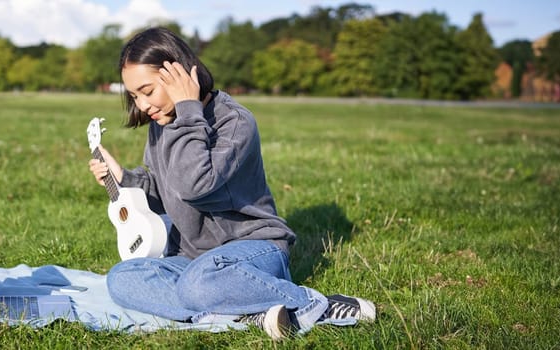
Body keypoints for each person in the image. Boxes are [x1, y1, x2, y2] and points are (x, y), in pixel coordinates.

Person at [87, 27, 376, 340]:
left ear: (179, 74)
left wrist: (187, 110)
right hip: (194, 260)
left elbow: (194, 186)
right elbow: (165, 193)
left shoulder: (233, 122)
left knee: (197, 284)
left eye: (147, 91)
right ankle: (243, 311)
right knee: (121, 278)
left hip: (252, 251)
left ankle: (316, 305)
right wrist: (125, 180)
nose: (142, 105)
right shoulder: (163, 125)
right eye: (134, 96)